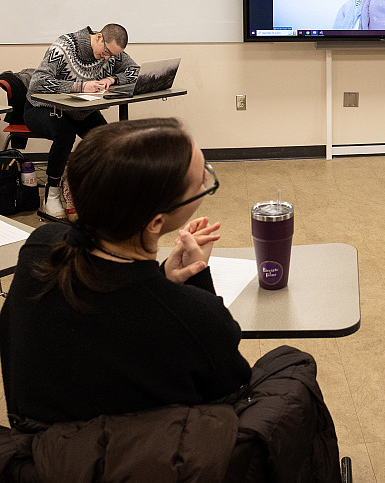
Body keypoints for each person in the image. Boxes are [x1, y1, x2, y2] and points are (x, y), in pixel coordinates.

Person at [0, 118, 248, 424]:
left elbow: (117, 306)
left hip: (37, 458)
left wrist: (160, 280)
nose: (207, 181)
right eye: (201, 183)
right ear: (157, 223)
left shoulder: (41, 248)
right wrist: (193, 289)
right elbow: (231, 398)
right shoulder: (196, 318)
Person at [24, 24, 138, 218]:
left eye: (113, 55)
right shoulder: (63, 47)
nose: (108, 58)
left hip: (79, 109)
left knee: (107, 139)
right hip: (41, 108)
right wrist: (79, 86)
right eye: (106, 52)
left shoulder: (113, 52)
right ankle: (51, 194)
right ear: (99, 37)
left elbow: (134, 71)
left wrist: (112, 80)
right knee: (65, 134)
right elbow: (38, 83)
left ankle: (94, 192)